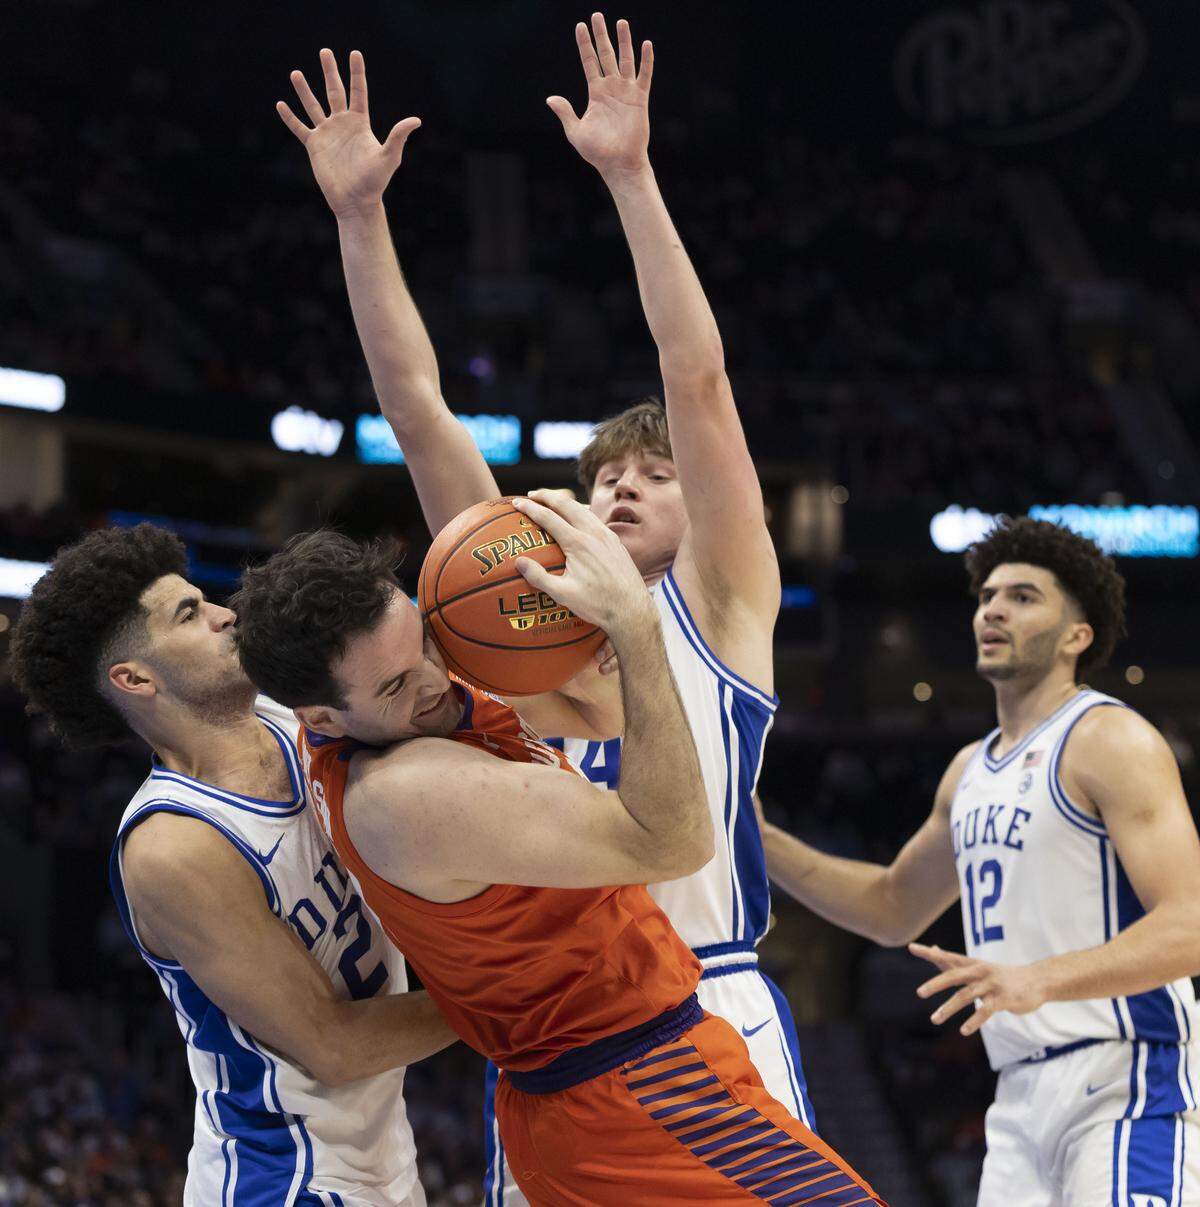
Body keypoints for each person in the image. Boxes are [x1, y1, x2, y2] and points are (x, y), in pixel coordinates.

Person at [273, 27, 811, 1204]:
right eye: (607, 471)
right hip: (556, 1053)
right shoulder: (506, 623)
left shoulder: (720, 609)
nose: (623, 483)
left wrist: (631, 176)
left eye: (654, 475)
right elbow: (417, 410)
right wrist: (360, 220)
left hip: (706, 1004)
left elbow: (698, 376)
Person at [231, 493, 884, 1206]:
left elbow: (599, 716)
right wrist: (633, 624)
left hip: (613, 1081)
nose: (433, 676)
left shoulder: (420, 711)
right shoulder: (408, 792)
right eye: (393, 683)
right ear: (321, 716)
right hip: (632, 1094)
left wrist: (567, 636)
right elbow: (677, 838)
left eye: (421, 641)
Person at [9, 523, 455, 1206]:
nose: (225, 612)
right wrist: (519, 992)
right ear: (134, 678)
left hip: (382, 1151)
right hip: (286, 1177)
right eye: (190, 612)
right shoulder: (175, 845)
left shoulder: (291, 714)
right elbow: (331, 1045)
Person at [757, 516, 1200, 1205]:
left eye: (1023, 596)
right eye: (988, 595)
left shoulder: (1110, 737)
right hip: (1020, 1095)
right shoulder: (970, 769)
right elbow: (890, 907)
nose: (993, 608)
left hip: (1127, 1080)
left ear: (1076, 636)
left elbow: (1193, 924)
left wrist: (1041, 979)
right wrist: (759, 838)